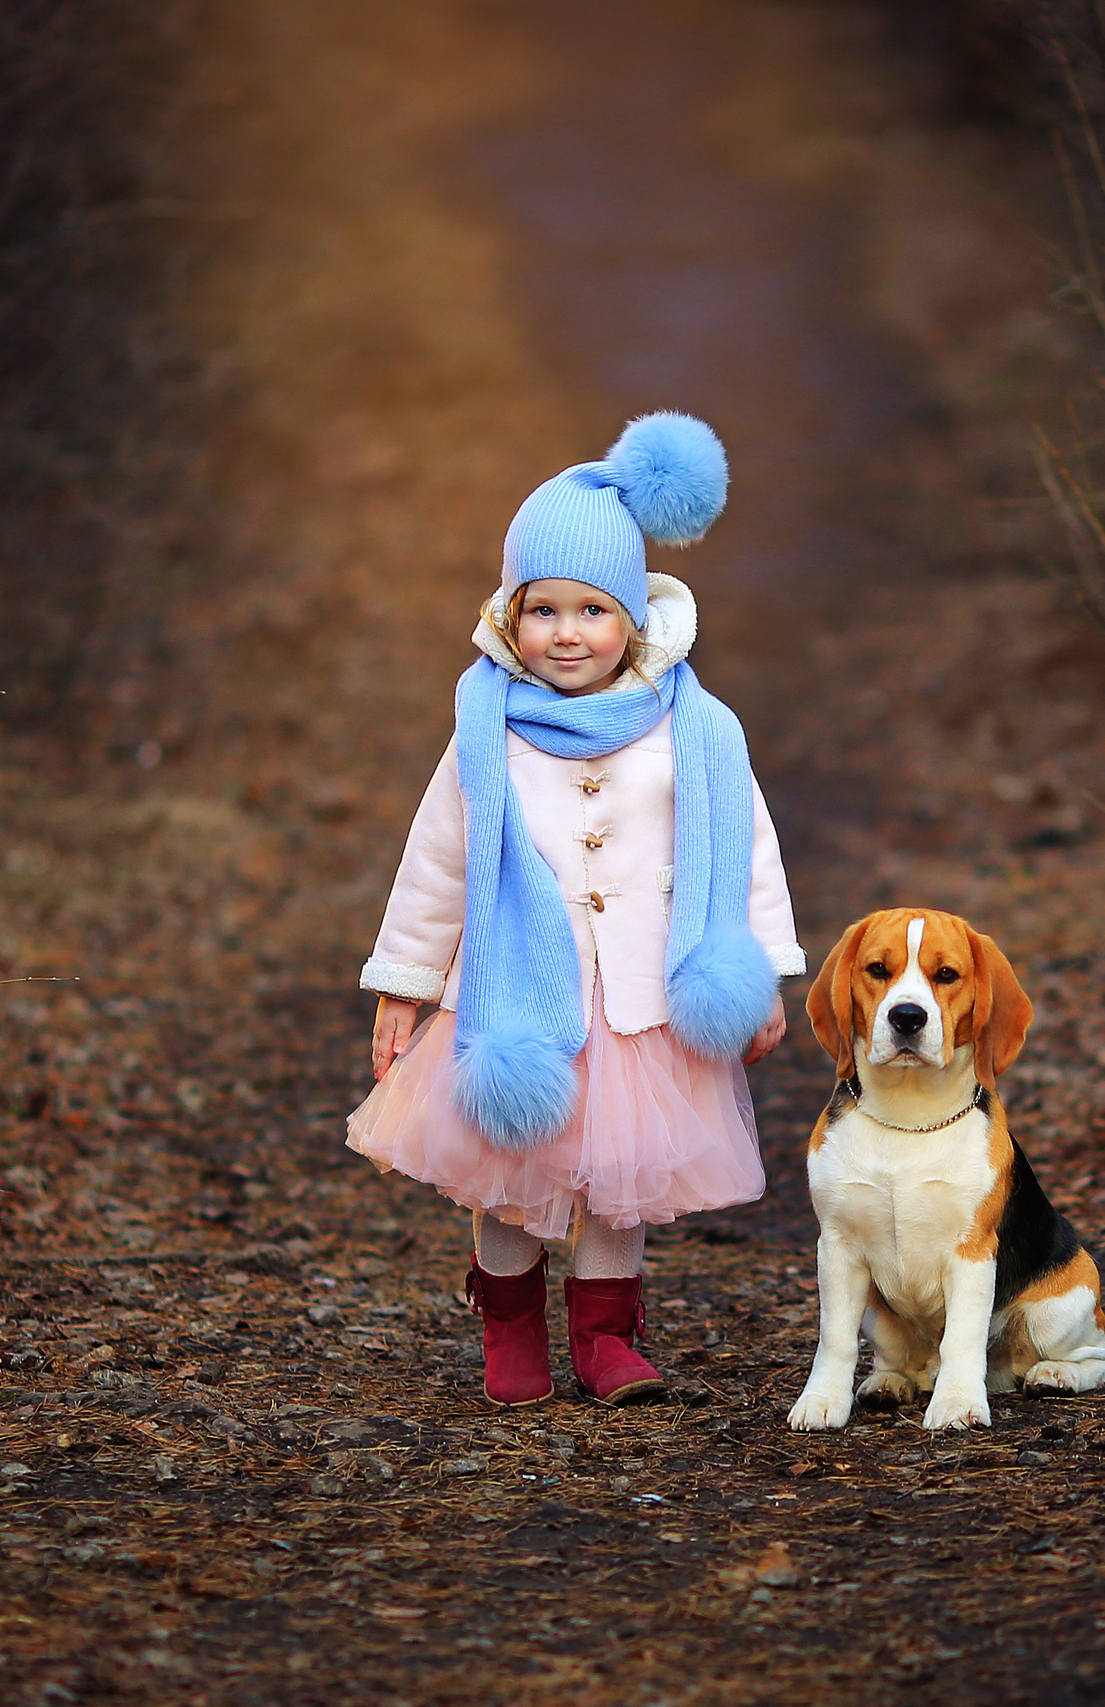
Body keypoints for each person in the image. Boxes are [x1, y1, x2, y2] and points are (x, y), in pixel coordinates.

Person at [345, 412, 801, 1407]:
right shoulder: (486, 734)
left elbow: (746, 848)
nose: (565, 633)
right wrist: (406, 985)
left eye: (590, 611)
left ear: (632, 617)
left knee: (621, 1178)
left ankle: (607, 1337)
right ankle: (508, 1330)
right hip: (513, 991)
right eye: (541, 610)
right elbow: (436, 862)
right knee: (511, 1173)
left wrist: (762, 970)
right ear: (510, 618)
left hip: (640, 994)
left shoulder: (693, 727)